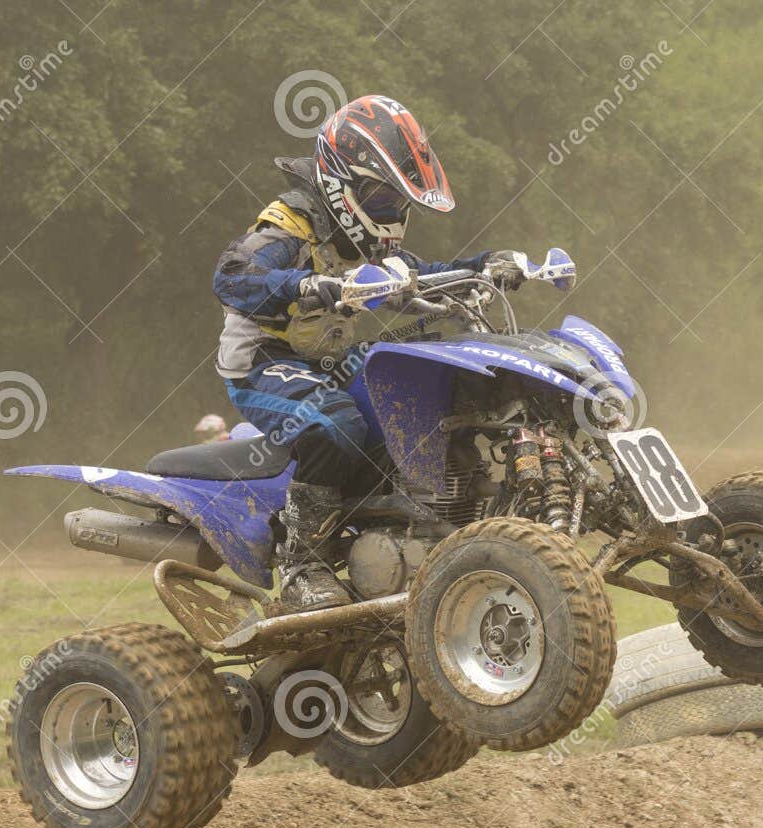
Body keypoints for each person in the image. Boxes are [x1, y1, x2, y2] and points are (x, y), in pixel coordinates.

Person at [212, 94, 528, 611]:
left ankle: (403, 537)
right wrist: (308, 285)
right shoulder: (288, 226)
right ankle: (301, 566)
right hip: (265, 363)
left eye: (398, 202)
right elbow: (232, 276)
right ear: (342, 184)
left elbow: (421, 277)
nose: (391, 212)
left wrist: (483, 265)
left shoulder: (367, 244)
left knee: (416, 399)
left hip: (330, 360)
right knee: (334, 424)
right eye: (382, 197)